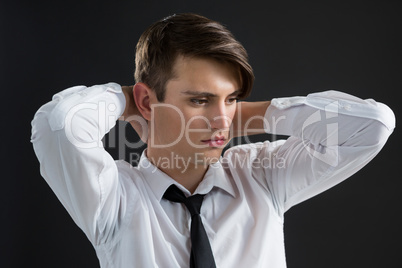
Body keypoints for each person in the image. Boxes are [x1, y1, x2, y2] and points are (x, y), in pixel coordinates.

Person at [31, 13, 395, 268]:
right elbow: (60, 126)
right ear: (147, 101)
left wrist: (246, 117)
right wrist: (126, 101)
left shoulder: (262, 176)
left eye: (232, 98)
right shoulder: (114, 199)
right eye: (199, 100)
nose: (221, 118)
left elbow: (371, 126)